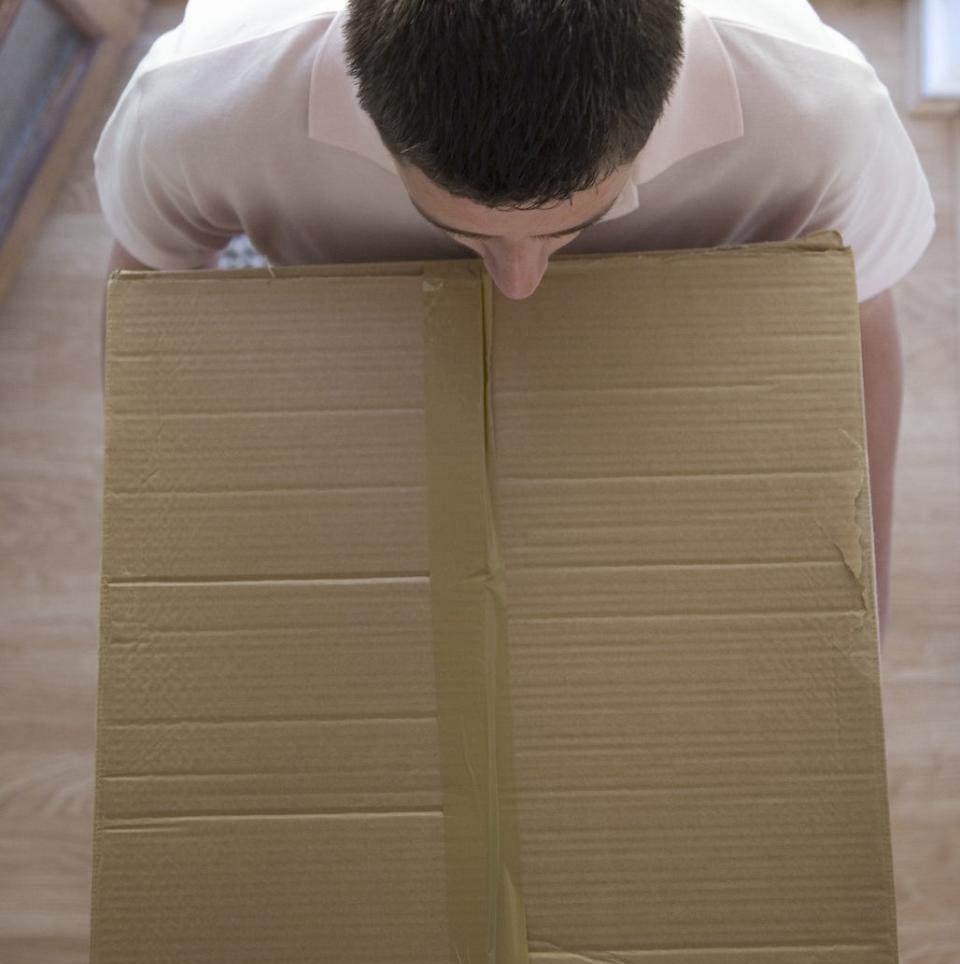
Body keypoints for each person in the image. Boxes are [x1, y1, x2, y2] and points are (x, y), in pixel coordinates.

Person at [95, 0, 936, 642]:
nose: (519, 284)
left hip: (666, 389)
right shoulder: (199, 100)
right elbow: (147, 299)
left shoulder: (821, 115)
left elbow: (856, 316)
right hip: (354, 386)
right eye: (462, 232)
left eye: (570, 230)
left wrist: (865, 610)